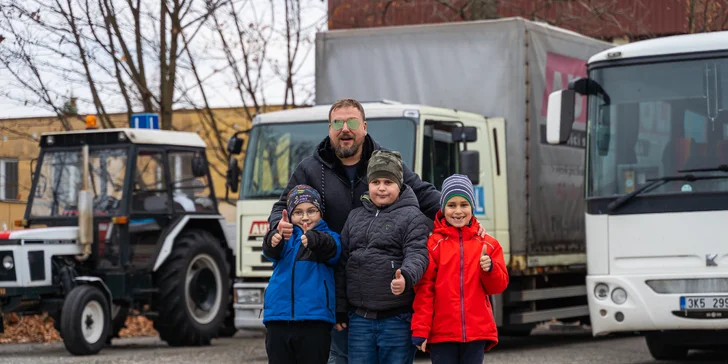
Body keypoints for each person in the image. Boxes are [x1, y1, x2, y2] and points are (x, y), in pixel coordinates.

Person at [265, 98, 442, 364]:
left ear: (364, 127)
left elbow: (423, 193)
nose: (345, 129)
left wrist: (455, 215)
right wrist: (279, 226)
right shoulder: (310, 168)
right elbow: (282, 205)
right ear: (329, 128)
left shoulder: (385, 161)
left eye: (352, 122)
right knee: (339, 356)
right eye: (338, 122)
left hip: (380, 289)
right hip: (332, 279)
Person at [337, 150, 430, 364]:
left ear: (399, 184)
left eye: (388, 182)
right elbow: (341, 264)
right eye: (376, 181)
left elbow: (417, 254)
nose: (381, 188)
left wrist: (406, 277)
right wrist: (340, 308)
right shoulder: (354, 217)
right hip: (359, 320)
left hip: (396, 320)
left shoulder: (412, 217)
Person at [410, 174, 509, 364]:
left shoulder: (488, 244)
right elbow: (424, 290)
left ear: (473, 207)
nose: (458, 211)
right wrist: (420, 329)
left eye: (464, 205)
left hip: (476, 333)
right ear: (443, 208)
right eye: (451, 205)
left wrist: (490, 270)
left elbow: (498, 286)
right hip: (442, 333)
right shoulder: (433, 245)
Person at [262, 185, 342, 364]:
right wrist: (272, 239)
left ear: (321, 213)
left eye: (311, 211)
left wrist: (315, 239)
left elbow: (333, 250)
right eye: (298, 212)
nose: (305, 217)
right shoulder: (285, 236)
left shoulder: (330, 235)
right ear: (290, 215)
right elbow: (269, 252)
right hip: (277, 318)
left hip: (314, 320)